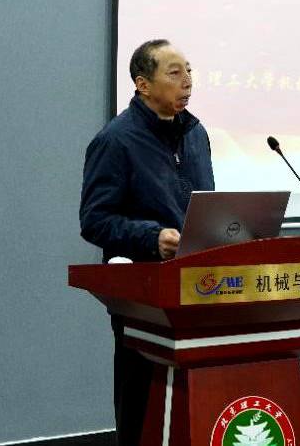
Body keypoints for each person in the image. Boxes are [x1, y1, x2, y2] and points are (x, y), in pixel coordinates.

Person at [79, 39, 214, 445]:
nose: (187, 80)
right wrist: (153, 238)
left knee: (195, 404)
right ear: (143, 84)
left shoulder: (196, 133)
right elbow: (95, 221)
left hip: (199, 288)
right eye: (174, 72)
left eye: (189, 70)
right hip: (144, 297)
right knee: (144, 406)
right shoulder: (116, 140)